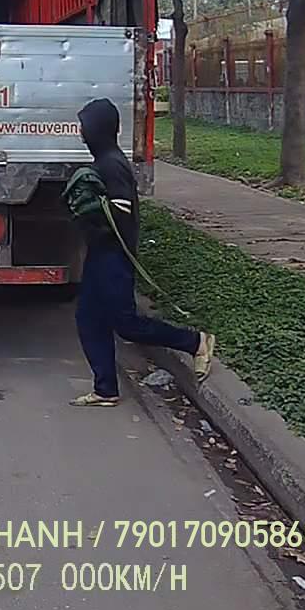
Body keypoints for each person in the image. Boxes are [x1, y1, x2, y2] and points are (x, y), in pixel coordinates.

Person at [66, 98, 215, 408]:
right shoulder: (103, 160)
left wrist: (93, 209)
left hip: (114, 255)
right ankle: (105, 389)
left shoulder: (112, 165)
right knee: (89, 319)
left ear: (98, 129)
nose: (81, 132)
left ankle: (196, 342)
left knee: (126, 324)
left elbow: (121, 212)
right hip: (100, 253)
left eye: (84, 126)